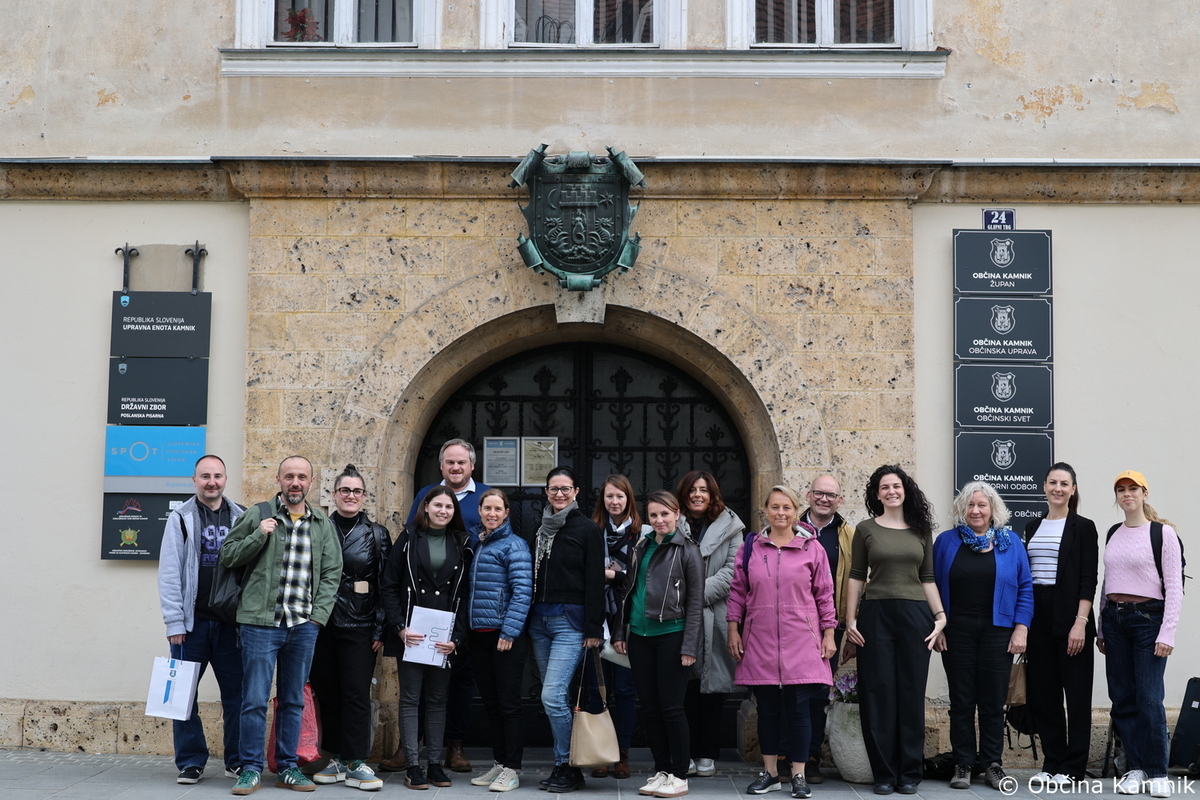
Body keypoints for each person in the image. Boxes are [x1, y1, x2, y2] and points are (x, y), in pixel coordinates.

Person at [220, 455, 343, 796]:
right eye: (289, 476)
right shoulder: (258, 515)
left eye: (302, 477)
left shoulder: (322, 524)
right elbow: (228, 555)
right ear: (278, 480)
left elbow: (332, 573)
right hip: (260, 623)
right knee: (254, 699)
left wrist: (317, 617)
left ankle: (288, 766)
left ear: (311, 483)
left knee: (292, 700)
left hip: (303, 625)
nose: (295, 482)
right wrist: (259, 535)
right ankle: (250, 768)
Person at [726, 486, 837, 800]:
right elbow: (737, 592)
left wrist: (829, 634)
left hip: (802, 640)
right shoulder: (750, 548)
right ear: (766, 510)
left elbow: (825, 595)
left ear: (795, 511)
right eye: (775, 507)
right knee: (767, 710)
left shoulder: (812, 548)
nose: (780, 513)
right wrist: (733, 630)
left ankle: (798, 774)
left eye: (787, 507)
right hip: (759, 640)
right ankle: (771, 773)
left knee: (800, 711)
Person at [390, 439, 492, 774]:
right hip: (419, 617)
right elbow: (408, 551)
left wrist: (459, 630)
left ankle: (453, 747)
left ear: (472, 465)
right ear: (441, 466)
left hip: (462, 609)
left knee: (456, 684)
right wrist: (400, 623)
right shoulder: (425, 496)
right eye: (450, 462)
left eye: (461, 462)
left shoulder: (485, 498)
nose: (456, 467)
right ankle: (410, 750)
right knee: (414, 692)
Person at [845, 465, 945, 796]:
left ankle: (909, 773)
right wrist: (850, 620)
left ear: (905, 490)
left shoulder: (921, 530)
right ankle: (884, 774)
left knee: (910, 693)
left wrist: (940, 617)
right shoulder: (865, 529)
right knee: (878, 693)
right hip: (876, 615)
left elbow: (927, 578)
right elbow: (856, 575)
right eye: (885, 487)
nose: (891, 491)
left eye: (896, 486)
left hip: (916, 616)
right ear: (877, 494)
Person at [932, 481, 1033, 791]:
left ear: (993, 510)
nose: (975, 510)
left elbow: (1025, 586)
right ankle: (963, 763)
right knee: (961, 701)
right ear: (962, 509)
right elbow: (930, 585)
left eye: (982, 505)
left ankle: (992, 764)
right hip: (956, 631)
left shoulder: (1010, 542)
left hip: (998, 632)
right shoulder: (946, 542)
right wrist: (937, 627)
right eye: (970, 505)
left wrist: (1021, 627)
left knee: (992, 701)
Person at [157, 454, 247, 785]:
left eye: (217, 476)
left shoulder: (242, 517)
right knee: (182, 697)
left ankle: (236, 761)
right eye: (205, 476)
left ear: (225, 479)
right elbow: (169, 572)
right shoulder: (180, 517)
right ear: (194, 480)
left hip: (231, 626)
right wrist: (174, 622)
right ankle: (191, 761)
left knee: (238, 696)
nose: (212, 482)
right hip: (191, 626)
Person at [612, 491, 705, 799]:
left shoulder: (688, 550)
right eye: (653, 515)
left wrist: (689, 646)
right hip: (640, 637)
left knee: (671, 708)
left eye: (665, 514)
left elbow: (695, 603)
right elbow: (628, 592)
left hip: (673, 636)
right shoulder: (642, 545)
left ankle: (679, 775)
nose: (659, 520)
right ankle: (662, 771)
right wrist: (620, 632)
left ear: (677, 514)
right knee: (650, 709)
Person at [380, 486, 473, 791]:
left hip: (443, 635)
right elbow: (389, 584)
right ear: (426, 507)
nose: (443, 511)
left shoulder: (462, 542)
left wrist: (457, 637)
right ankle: (412, 766)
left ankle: (434, 764)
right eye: (438, 505)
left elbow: (465, 594)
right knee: (410, 698)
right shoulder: (408, 537)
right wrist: (399, 626)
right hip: (411, 633)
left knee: (437, 699)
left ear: (454, 512)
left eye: (449, 507)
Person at [1098, 470, 1183, 799]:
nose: (1127, 494)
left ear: (1144, 493)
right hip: (1114, 619)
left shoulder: (1163, 534)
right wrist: (1101, 626)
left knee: (1149, 697)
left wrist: (1168, 632)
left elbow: (1174, 586)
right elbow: (1107, 582)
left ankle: (1157, 771)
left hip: (1149, 620)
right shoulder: (1113, 533)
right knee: (1122, 697)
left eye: (1133, 488)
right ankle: (1135, 767)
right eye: (1121, 489)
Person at [310, 465, 391, 792]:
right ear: (334, 494)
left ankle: (357, 761)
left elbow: (386, 585)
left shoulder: (376, 534)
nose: (351, 496)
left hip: (360, 624)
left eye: (357, 491)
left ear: (364, 496)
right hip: (322, 624)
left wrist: (380, 629)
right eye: (345, 490)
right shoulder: (319, 528)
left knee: (356, 693)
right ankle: (337, 758)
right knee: (328, 693)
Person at [528, 466, 605, 794]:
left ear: (575, 492)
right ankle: (567, 765)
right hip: (539, 623)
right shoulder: (540, 528)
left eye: (565, 489)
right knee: (554, 698)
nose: (559, 494)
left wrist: (593, 628)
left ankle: (567, 765)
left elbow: (595, 581)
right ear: (546, 492)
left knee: (552, 695)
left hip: (569, 624)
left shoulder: (587, 529)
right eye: (553, 489)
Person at [1021, 463, 1098, 787]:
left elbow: (1088, 579)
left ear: (1073, 489)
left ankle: (1073, 767)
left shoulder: (1084, 527)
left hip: (1071, 615)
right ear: (1044, 487)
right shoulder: (1032, 526)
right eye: (1053, 482)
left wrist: (1080, 623)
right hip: (1037, 616)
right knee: (1044, 694)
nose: (1058, 488)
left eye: (1064, 483)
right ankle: (1052, 761)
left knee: (1077, 695)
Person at [675, 470, 745, 779]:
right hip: (678, 616)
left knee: (712, 689)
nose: (697, 495)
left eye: (703, 490)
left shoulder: (732, 526)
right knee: (683, 689)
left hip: (715, 615)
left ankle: (708, 753)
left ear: (712, 493)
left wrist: (694, 595)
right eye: (692, 490)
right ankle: (685, 752)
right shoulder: (672, 522)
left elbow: (733, 571)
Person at [466, 488, 533, 793]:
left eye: (497, 509)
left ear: (506, 513)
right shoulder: (479, 543)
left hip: (504, 637)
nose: (491, 514)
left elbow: (522, 592)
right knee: (491, 705)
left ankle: (512, 768)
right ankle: (499, 762)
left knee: (508, 704)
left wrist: (509, 632)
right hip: (479, 636)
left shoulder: (514, 545)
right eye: (487, 508)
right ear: (480, 511)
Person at [588, 475, 647, 780]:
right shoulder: (592, 531)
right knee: (597, 690)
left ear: (628, 500)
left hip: (626, 620)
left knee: (624, 690)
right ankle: (600, 752)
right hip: (597, 619)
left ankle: (622, 753)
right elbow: (583, 573)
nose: (614, 502)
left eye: (620, 496)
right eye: (609, 496)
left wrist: (613, 576)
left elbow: (641, 577)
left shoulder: (641, 535)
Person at [797, 474, 854, 785]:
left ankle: (811, 757)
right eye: (819, 493)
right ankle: (786, 754)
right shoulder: (791, 527)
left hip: (828, 626)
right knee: (788, 692)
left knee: (819, 694)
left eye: (831, 495)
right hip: (792, 625)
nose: (824, 499)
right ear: (808, 495)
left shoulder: (847, 535)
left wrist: (850, 626)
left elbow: (858, 581)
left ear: (840, 501)